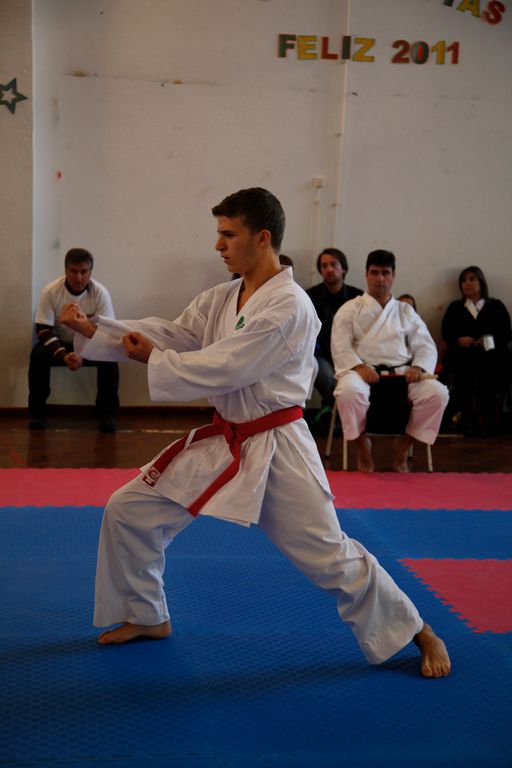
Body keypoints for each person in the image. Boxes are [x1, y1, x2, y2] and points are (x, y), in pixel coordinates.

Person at [60, 189, 450, 678]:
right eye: (218, 234)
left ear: (262, 238)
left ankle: (419, 630)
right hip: (226, 440)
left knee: (329, 556)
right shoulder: (225, 295)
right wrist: (96, 330)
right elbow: (178, 334)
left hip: (277, 448)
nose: (218, 245)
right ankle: (145, 615)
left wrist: (152, 359)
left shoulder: (290, 307)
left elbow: (228, 367)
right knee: (129, 509)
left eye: (228, 234)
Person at [332, 249, 449, 473]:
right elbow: (340, 345)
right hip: (362, 373)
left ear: (393, 275)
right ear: (366, 274)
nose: (380, 279)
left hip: (403, 374)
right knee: (347, 392)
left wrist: (418, 367)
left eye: (385, 273)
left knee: (438, 393)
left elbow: (425, 345)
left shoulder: (405, 311)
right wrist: (359, 366)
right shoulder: (350, 309)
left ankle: (404, 446)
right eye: (375, 273)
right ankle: (362, 446)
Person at [28, 248, 119, 432]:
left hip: (89, 346)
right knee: (38, 355)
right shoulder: (50, 291)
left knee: (110, 358)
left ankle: (107, 414)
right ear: (66, 270)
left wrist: (82, 354)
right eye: (74, 271)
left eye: (84, 272)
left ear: (90, 272)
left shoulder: (100, 293)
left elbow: (106, 332)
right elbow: (43, 330)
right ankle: (37, 413)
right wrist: (64, 355)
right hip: (59, 345)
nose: (79, 277)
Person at [441, 265, 512, 437]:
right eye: (464, 281)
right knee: (462, 377)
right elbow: (446, 332)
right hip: (463, 356)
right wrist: (460, 339)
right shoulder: (455, 307)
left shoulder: (495, 306)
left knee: (490, 375)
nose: (467, 283)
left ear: (481, 282)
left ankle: (489, 420)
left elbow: (506, 333)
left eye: (472, 279)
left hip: (491, 356)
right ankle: (466, 420)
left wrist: (487, 340)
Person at [306, 249, 363, 411]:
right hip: (322, 354)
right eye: (324, 266)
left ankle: (334, 412)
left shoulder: (358, 297)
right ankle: (339, 412)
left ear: (343, 268)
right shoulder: (310, 296)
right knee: (324, 375)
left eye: (333, 264)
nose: (329, 269)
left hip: (351, 353)